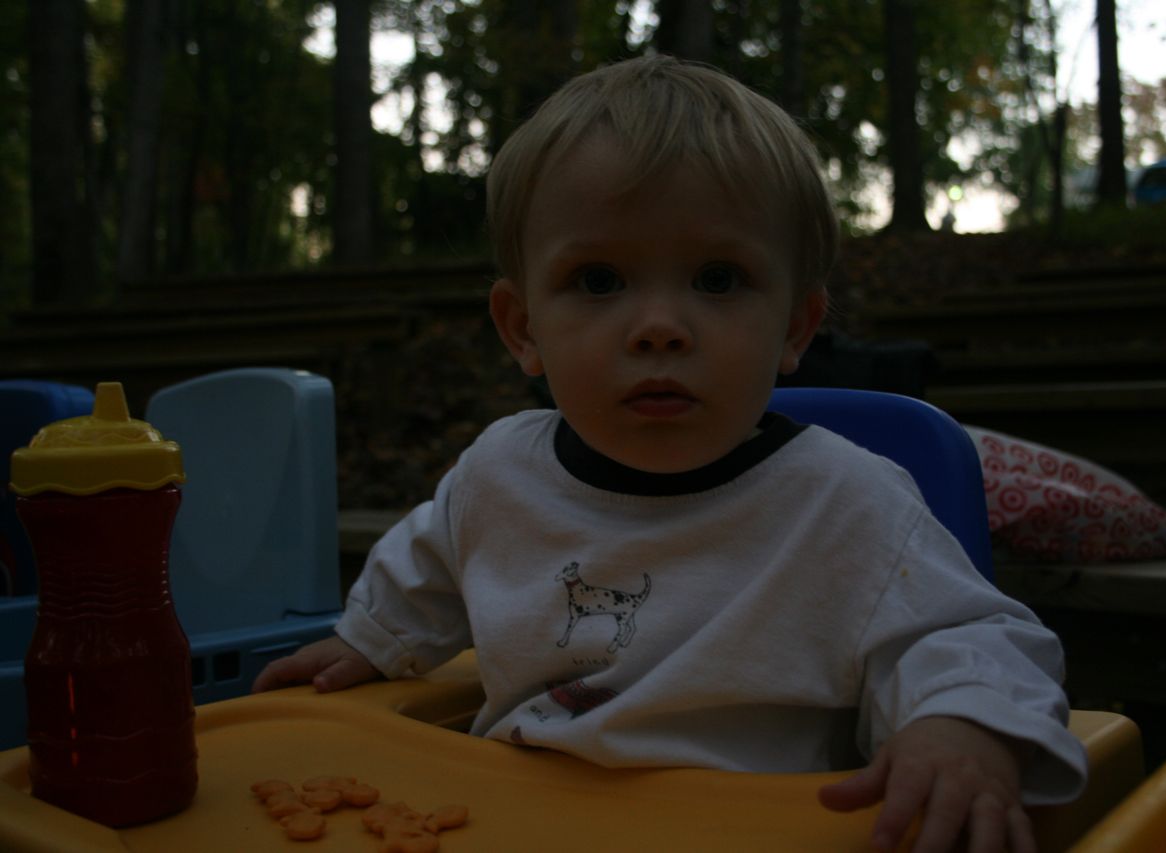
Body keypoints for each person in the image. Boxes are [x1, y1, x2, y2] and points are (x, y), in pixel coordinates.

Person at [254, 55, 1086, 852]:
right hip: (517, 820)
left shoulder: (848, 504)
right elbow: (430, 565)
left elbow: (969, 636)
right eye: (599, 280)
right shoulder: (496, 475)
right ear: (523, 327)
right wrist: (372, 638)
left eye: (718, 279)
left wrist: (961, 719)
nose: (659, 326)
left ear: (795, 326)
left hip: (751, 832)